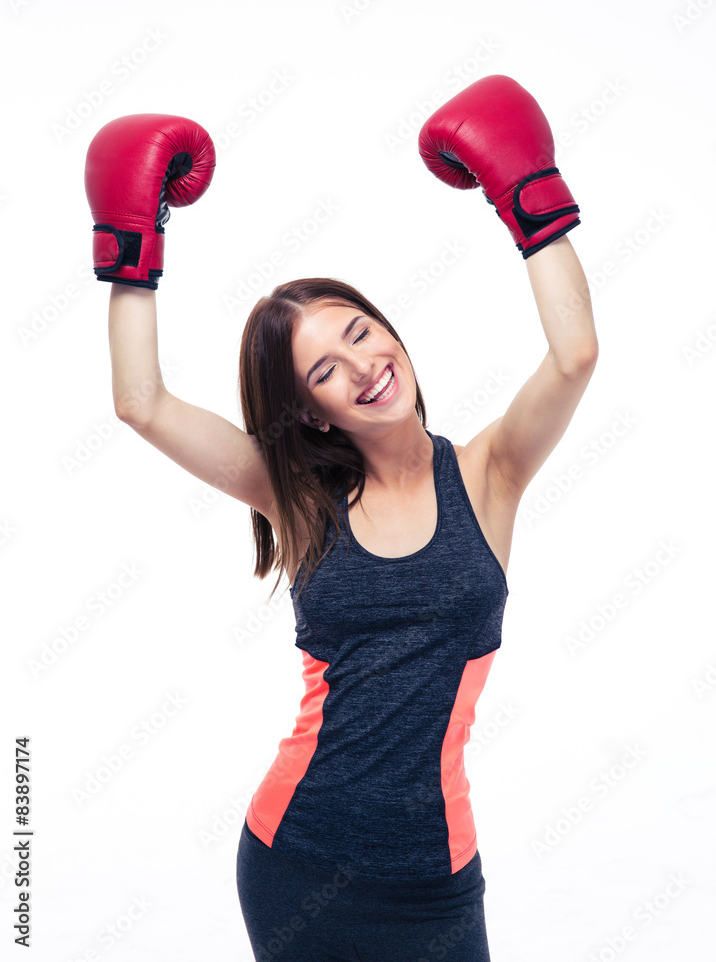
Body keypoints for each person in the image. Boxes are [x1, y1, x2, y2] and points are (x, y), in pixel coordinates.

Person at [87, 76, 598, 962]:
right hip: (297, 860)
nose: (360, 365)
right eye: (324, 370)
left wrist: (528, 195)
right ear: (314, 413)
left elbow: (576, 353)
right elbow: (141, 403)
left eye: (360, 333)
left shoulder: (489, 474)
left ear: (391, 332)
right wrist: (131, 246)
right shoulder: (301, 499)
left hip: (435, 881)